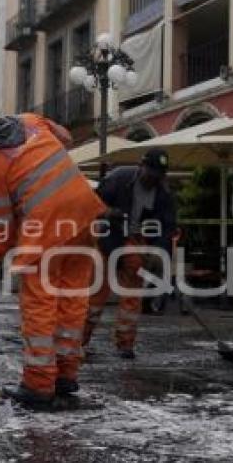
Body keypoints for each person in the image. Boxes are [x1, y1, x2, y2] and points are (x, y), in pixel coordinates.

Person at [0, 110, 106, 408]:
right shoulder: (29, 121)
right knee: (72, 298)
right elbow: (66, 137)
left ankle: (39, 383)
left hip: (45, 222)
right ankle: (66, 375)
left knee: (40, 302)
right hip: (84, 211)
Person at [82, 149, 177, 359]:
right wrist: (107, 212)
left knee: (132, 294)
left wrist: (160, 255)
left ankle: (125, 344)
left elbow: (166, 229)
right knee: (96, 294)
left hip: (134, 241)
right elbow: (91, 202)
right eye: (150, 173)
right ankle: (80, 340)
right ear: (141, 166)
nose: (153, 179)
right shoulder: (119, 178)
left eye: (158, 175)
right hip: (108, 238)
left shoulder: (163, 194)